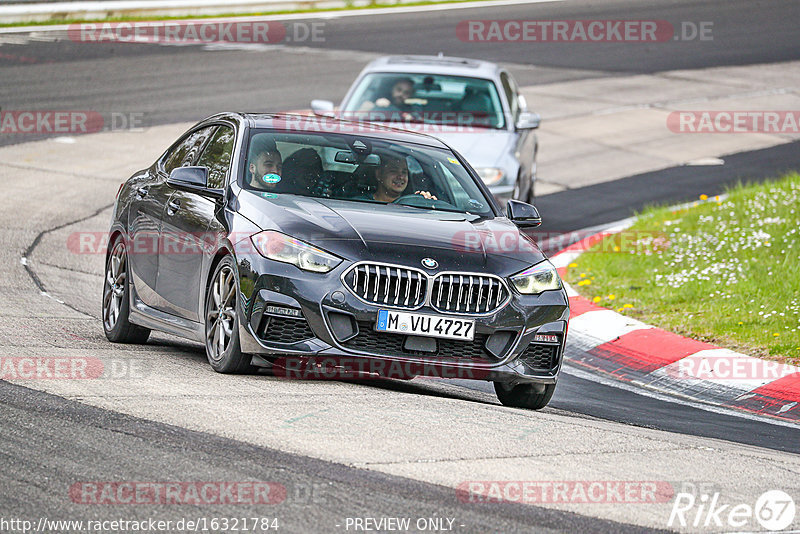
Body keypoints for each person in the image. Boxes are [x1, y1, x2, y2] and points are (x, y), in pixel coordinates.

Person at [368, 154, 436, 203]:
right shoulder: (363, 205)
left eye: (404, 172)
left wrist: (427, 203)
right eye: (393, 171)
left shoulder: (413, 204)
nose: (400, 177)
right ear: (379, 174)